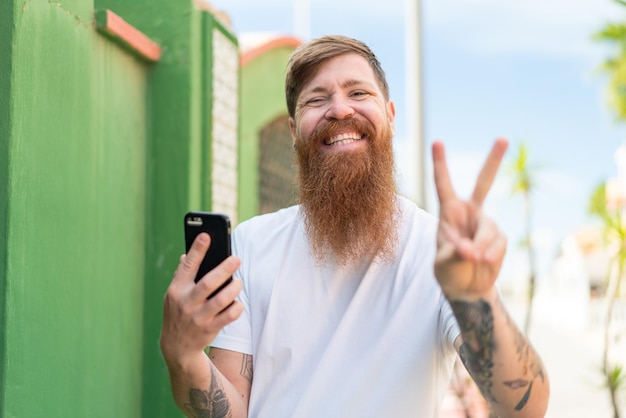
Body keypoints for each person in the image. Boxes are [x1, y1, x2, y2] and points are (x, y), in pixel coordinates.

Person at [160, 35, 550, 418]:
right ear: (294, 131)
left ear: (391, 117)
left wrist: (475, 300)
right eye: (317, 98)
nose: (340, 109)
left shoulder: (440, 253)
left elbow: (524, 410)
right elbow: (231, 411)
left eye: (359, 93)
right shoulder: (251, 243)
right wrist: (183, 355)